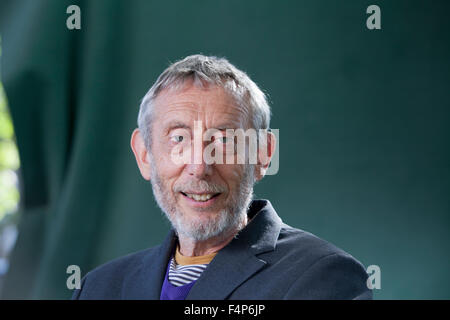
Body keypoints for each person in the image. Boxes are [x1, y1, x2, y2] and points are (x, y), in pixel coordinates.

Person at [72, 54, 372, 300]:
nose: (200, 166)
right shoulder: (98, 289)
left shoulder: (323, 278)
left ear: (263, 154)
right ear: (144, 155)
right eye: (178, 139)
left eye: (224, 141)